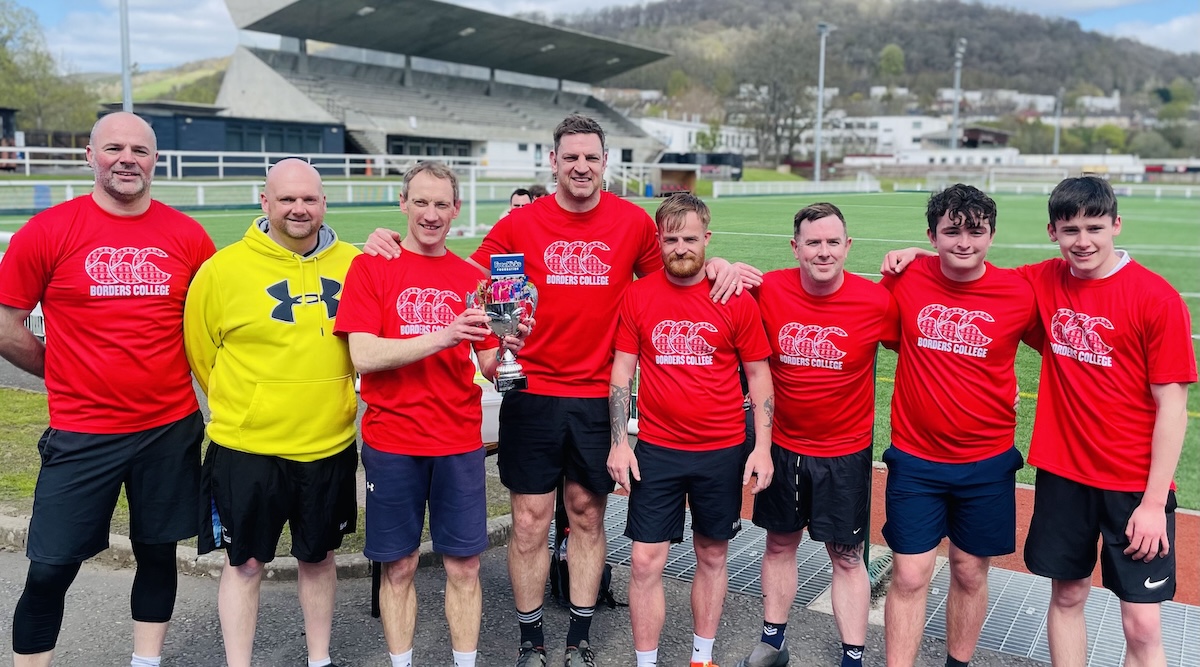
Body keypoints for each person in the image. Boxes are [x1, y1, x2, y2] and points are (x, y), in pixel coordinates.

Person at [363, 113, 755, 667]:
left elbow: (674, 271)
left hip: (598, 394)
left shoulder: (633, 224)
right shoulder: (522, 223)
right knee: (529, 519)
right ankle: (530, 640)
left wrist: (715, 263)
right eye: (570, 156)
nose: (580, 166)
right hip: (532, 390)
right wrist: (389, 242)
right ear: (553, 161)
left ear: (604, 163)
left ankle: (579, 635)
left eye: (591, 157)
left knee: (588, 513)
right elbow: (456, 269)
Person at [0, 111, 215, 667]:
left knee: (157, 554)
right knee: (50, 566)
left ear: (155, 162)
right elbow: (6, 322)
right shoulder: (49, 230)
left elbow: (219, 318)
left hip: (169, 428)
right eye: (114, 148)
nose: (127, 159)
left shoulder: (187, 235)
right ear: (90, 156)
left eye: (140, 151)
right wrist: (56, 370)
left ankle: (147, 662)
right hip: (83, 431)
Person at [334, 161, 524, 667]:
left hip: (458, 441)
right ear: (403, 204)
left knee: (464, 566)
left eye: (442, 204)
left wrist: (508, 349)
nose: (431, 214)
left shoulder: (474, 278)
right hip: (392, 441)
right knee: (398, 567)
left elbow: (488, 364)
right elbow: (364, 356)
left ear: (456, 210)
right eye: (421, 202)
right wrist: (445, 334)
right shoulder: (371, 267)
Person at [182, 158, 360, 667]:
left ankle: (319, 658)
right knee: (245, 563)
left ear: (324, 203)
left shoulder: (355, 264)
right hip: (247, 448)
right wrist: (254, 401)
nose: (298, 208)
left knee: (319, 557)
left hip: (327, 444)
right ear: (265, 202)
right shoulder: (222, 270)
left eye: (309, 198)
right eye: (286, 199)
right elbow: (202, 354)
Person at [1019, 177, 1194, 666]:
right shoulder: (1042, 279)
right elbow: (973, 275)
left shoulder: (1156, 299)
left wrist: (1154, 502)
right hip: (1063, 475)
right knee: (1068, 596)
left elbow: (1173, 408)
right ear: (1052, 231)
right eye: (1070, 228)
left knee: (1141, 624)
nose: (1083, 241)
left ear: (1116, 224)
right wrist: (912, 255)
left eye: (1095, 227)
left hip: (1134, 488)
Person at [607, 193, 774, 667]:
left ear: (708, 239)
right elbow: (622, 373)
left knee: (713, 555)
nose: (681, 247)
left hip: (721, 449)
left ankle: (701, 658)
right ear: (659, 240)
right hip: (657, 449)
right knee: (644, 561)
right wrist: (621, 442)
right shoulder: (639, 295)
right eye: (671, 238)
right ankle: (646, 661)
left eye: (691, 238)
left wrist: (761, 447)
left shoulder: (732, 297)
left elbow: (759, 375)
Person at [878, 184, 1037, 667]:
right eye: (951, 232)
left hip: (987, 461)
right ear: (932, 234)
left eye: (976, 231)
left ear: (992, 234)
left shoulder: (1018, 292)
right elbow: (882, 338)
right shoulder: (905, 279)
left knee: (969, 572)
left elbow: (1067, 353)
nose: (964, 242)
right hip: (915, 459)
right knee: (908, 575)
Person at [735, 203, 898, 667]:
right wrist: (718, 264)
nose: (823, 252)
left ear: (847, 247)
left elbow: (927, 343)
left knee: (847, 556)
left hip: (844, 454)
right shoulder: (769, 289)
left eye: (832, 243)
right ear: (795, 248)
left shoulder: (877, 301)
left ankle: (852, 657)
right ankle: (772, 643)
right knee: (779, 544)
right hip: (782, 448)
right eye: (813, 243)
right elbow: (708, 282)